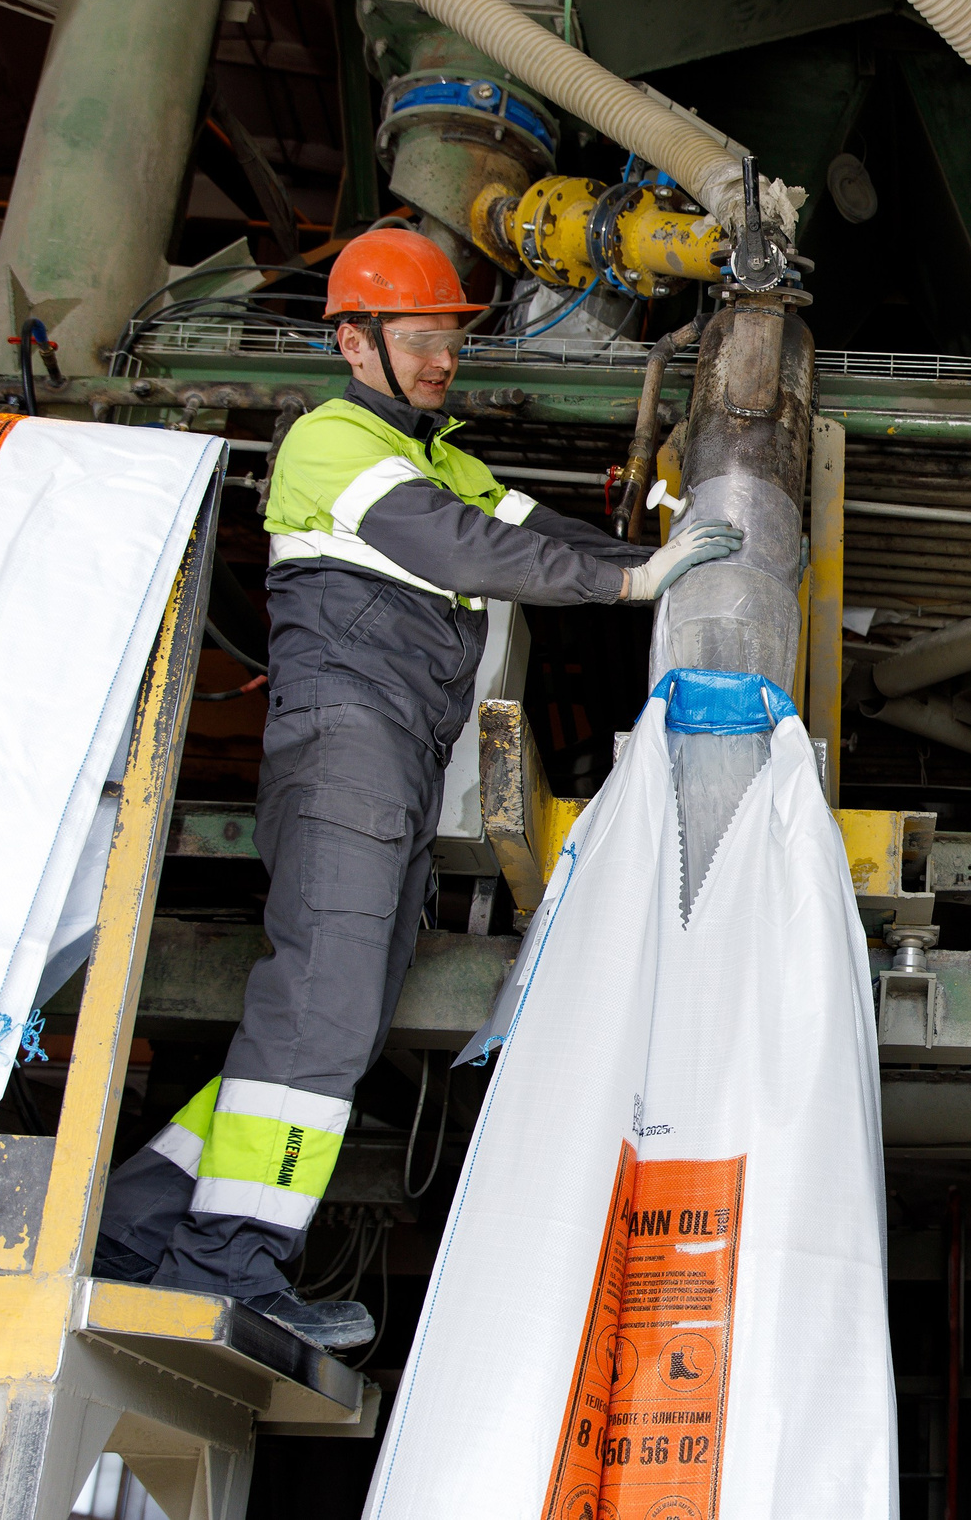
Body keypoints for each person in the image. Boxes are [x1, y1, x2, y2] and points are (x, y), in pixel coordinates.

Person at [94, 228, 741, 1348]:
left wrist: (661, 553)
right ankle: (228, 1263)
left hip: (388, 759)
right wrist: (634, 583)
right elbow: (460, 549)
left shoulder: (433, 454)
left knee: (330, 1020)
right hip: (345, 752)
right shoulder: (330, 442)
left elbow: (525, 526)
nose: (445, 359)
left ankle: (135, 1226)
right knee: (324, 1012)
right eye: (422, 337)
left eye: (452, 337)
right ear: (355, 342)